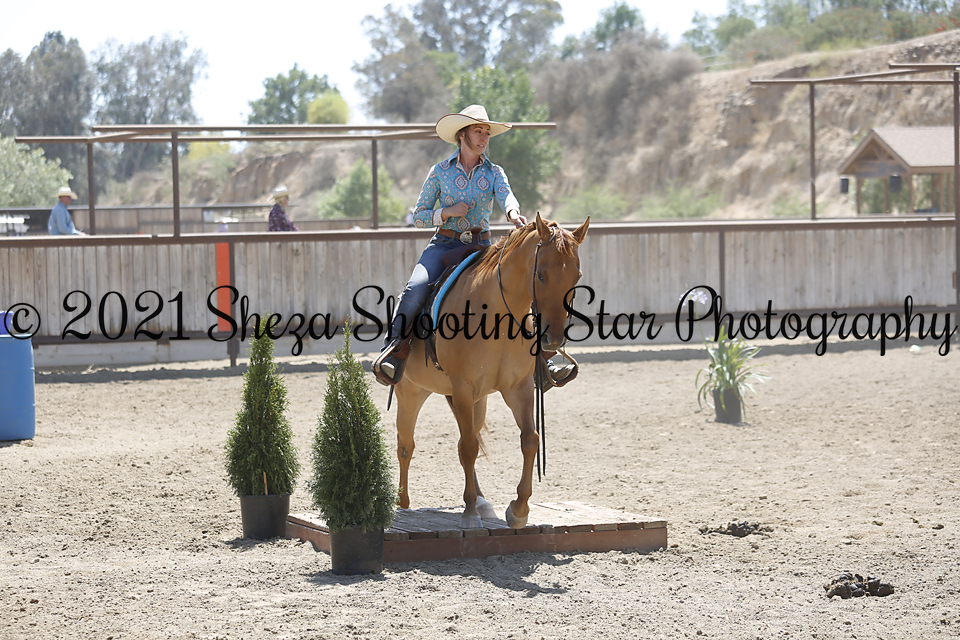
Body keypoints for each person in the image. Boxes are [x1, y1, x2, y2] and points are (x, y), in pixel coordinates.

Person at [375, 104, 572, 386]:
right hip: (444, 245)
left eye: (487, 133)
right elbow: (418, 217)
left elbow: (506, 196)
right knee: (415, 288)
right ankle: (394, 352)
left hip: (482, 248)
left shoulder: (494, 172)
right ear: (462, 135)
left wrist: (513, 213)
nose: (484, 137)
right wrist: (447, 212)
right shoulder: (439, 172)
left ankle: (542, 362)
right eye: (478, 131)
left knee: (520, 293)